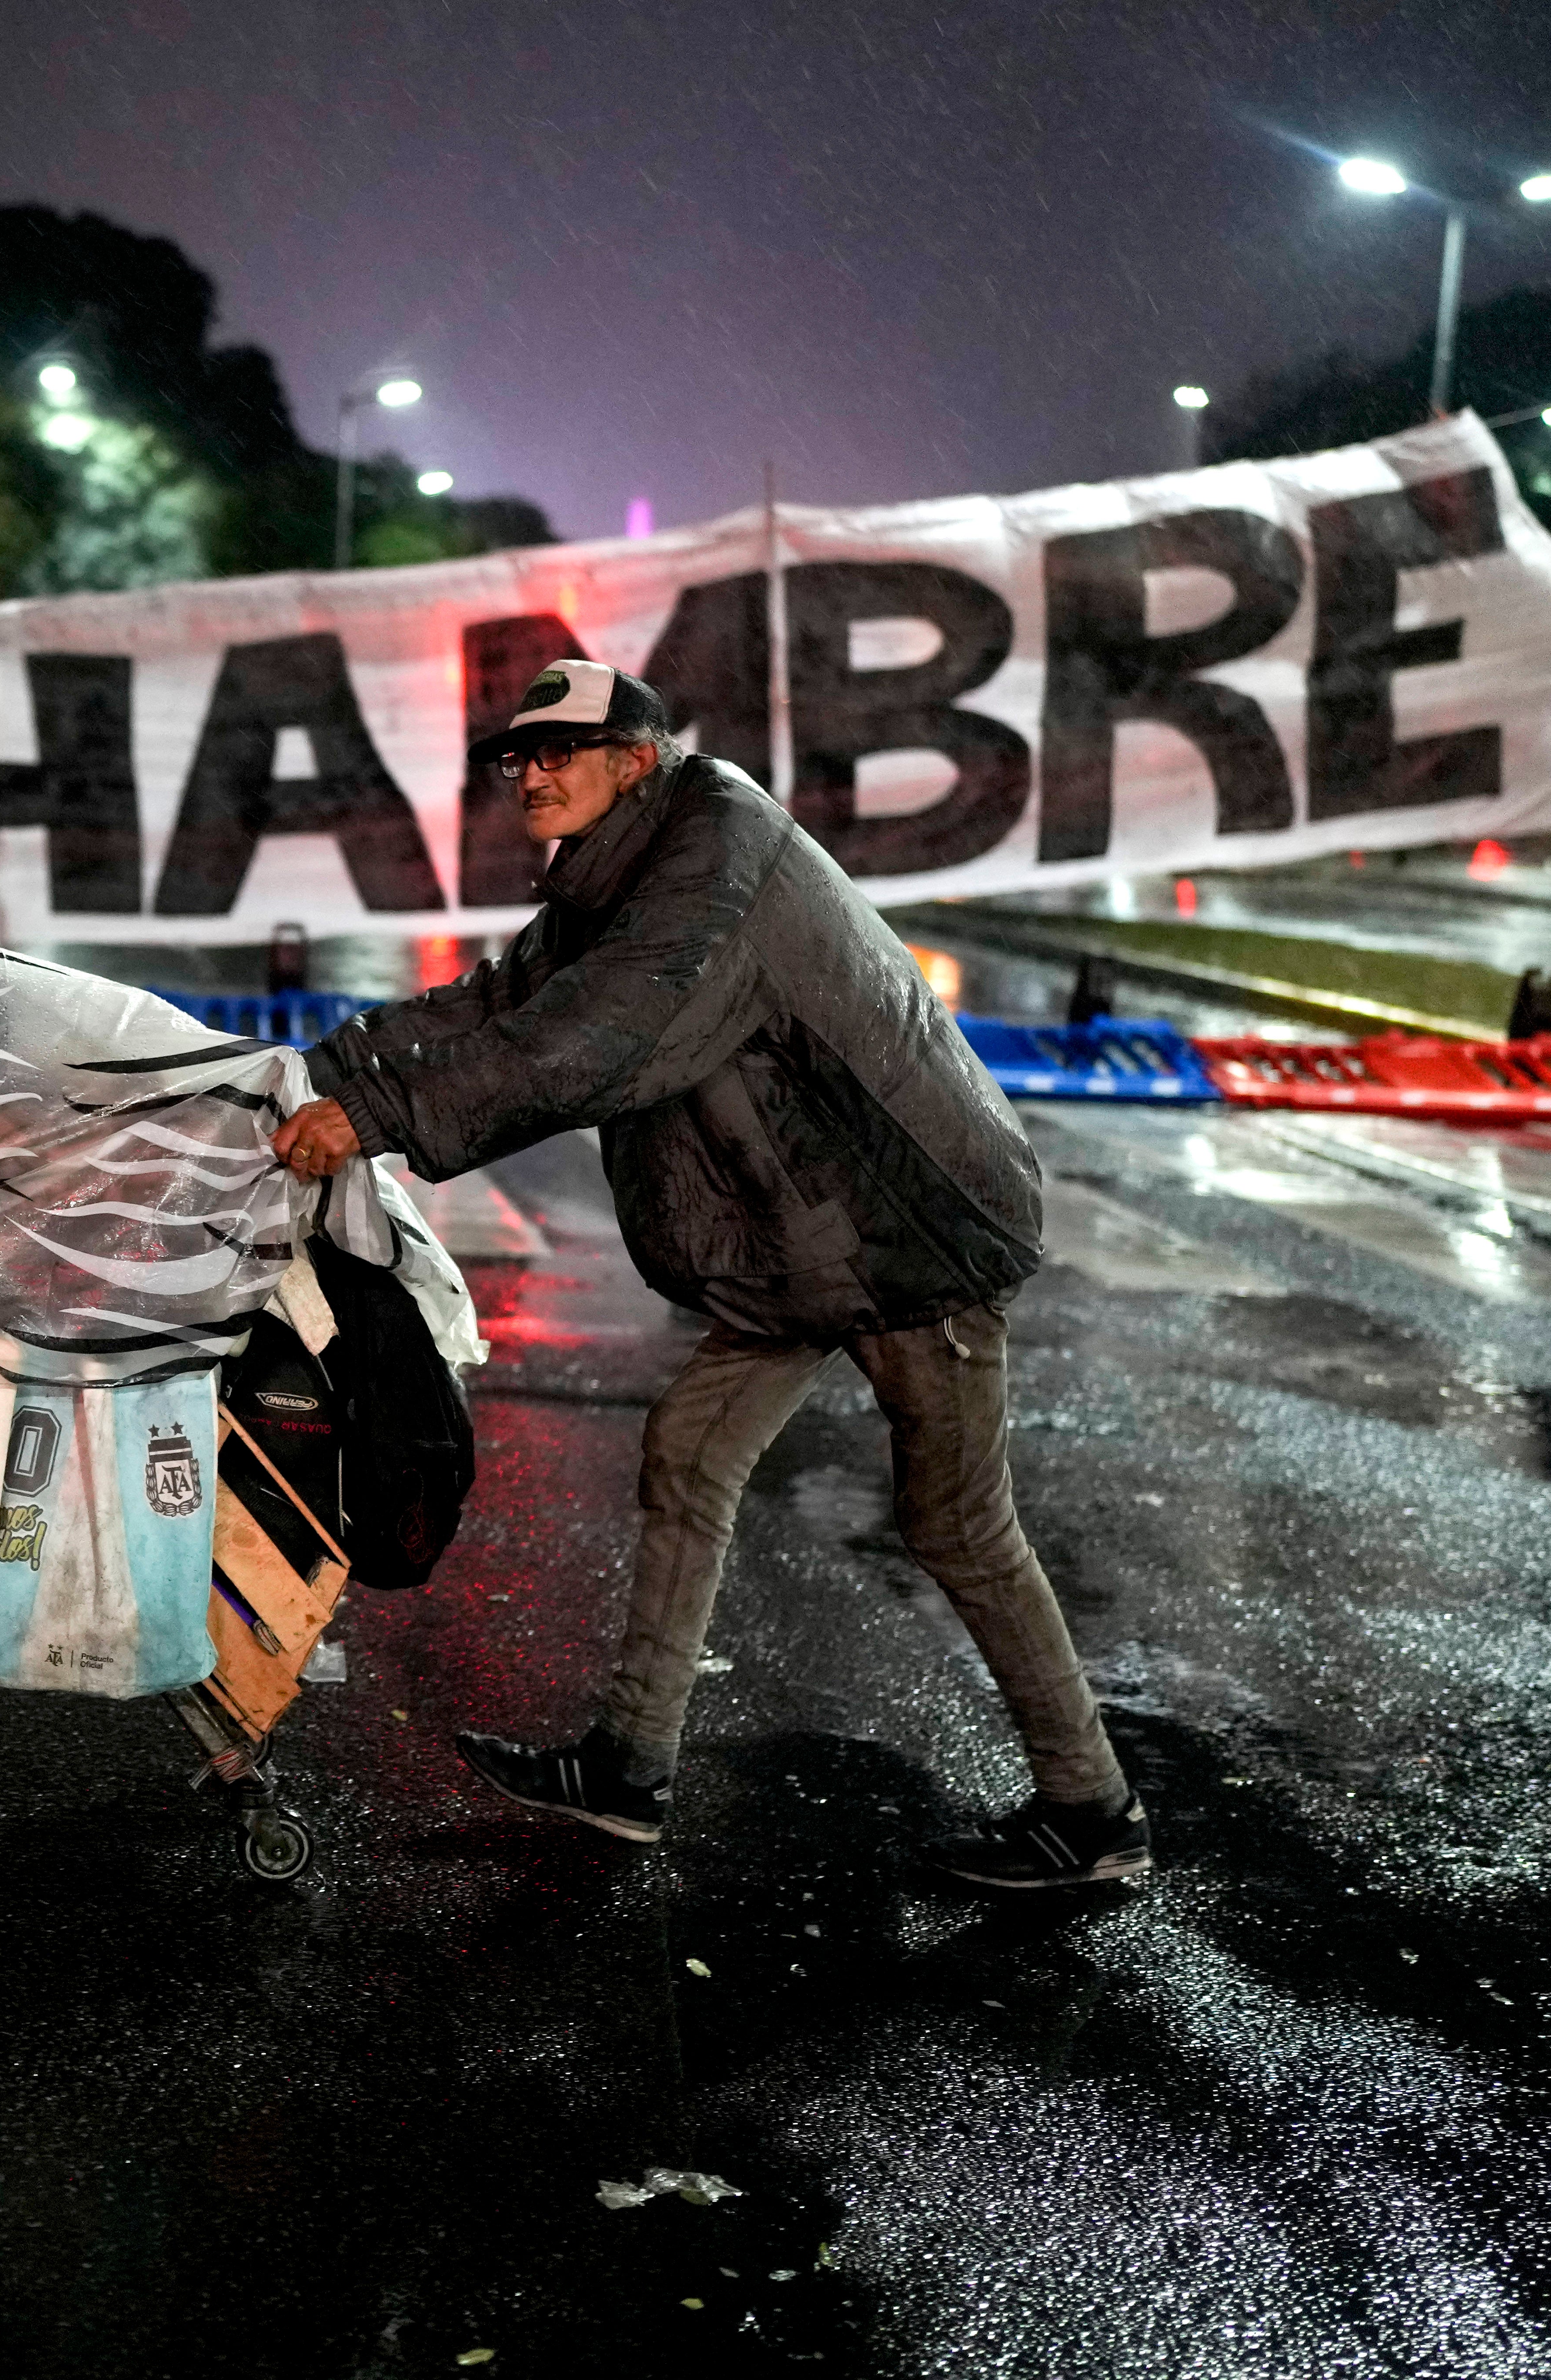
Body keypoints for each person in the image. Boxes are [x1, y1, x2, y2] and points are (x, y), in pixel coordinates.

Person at [268, 659, 1146, 1888]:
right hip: (798, 1242)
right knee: (687, 1452)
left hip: (905, 1231)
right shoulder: (614, 869)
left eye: (557, 752)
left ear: (634, 758)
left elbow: (584, 1043)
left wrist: (375, 1122)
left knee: (956, 1524)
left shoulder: (713, 860)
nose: (527, 775)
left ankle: (1093, 1816)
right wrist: (316, 1073)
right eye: (516, 758)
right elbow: (495, 1004)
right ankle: (628, 1767)